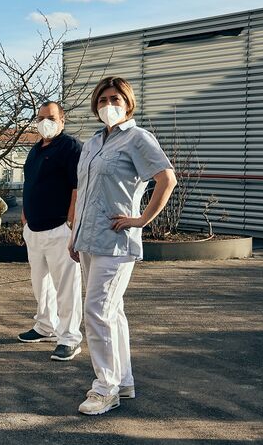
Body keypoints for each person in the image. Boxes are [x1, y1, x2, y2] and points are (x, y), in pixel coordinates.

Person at [70, 76, 176, 415]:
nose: (108, 105)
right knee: (112, 312)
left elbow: (166, 178)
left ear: (127, 102)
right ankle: (123, 380)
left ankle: (105, 388)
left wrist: (141, 219)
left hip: (116, 242)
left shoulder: (138, 138)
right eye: (102, 100)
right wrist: (75, 236)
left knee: (96, 312)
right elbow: (85, 192)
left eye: (114, 98)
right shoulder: (92, 143)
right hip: (88, 240)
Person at [18, 101, 84, 362]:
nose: (46, 121)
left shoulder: (70, 147)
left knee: (65, 286)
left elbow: (77, 187)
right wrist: (25, 215)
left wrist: (71, 221)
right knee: (40, 284)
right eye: (41, 117)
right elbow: (30, 183)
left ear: (62, 120)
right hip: (33, 228)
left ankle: (69, 337)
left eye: (51, 117)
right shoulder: (35, 150)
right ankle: (45, 325)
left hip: (59, 228)